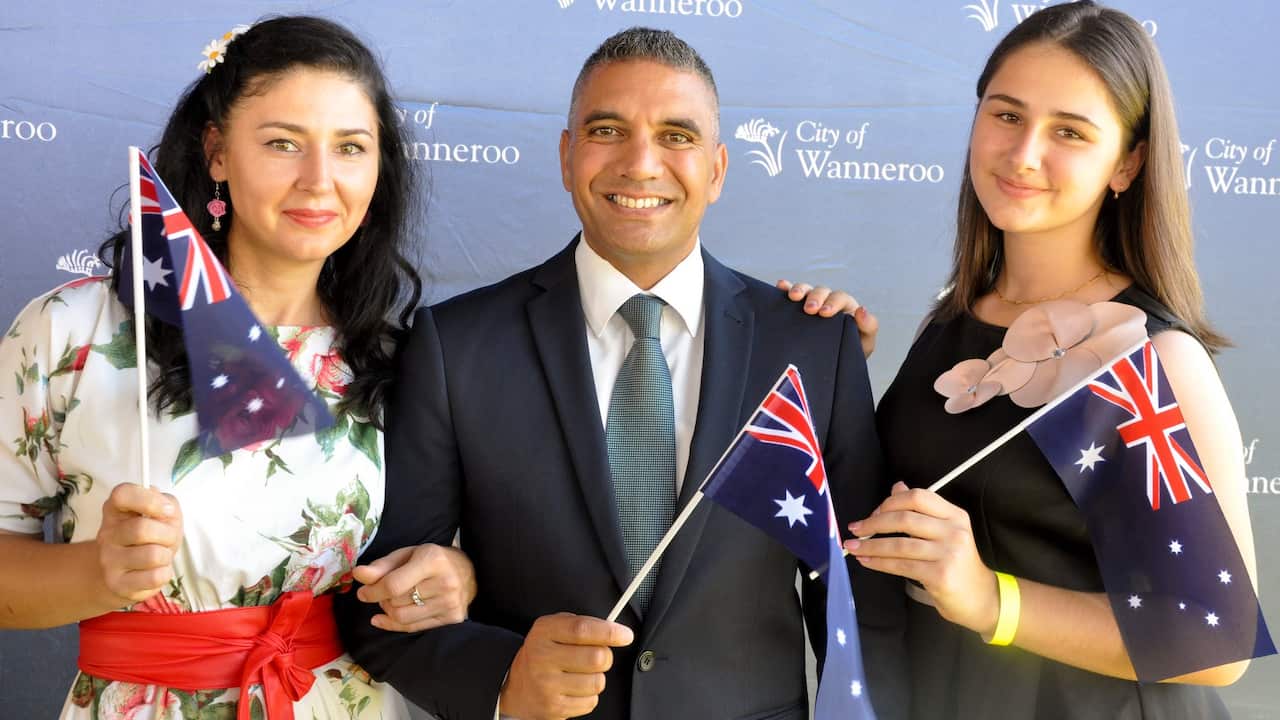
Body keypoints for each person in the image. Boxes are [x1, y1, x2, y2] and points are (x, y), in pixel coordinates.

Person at [336, 26, 909, 720]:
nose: (641, 163)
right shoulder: (456, 345)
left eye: (677, 135)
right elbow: (379, 605)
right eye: (608, 129)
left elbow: (859, 603)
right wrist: (503, 679)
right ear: (567, 154)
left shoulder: (814, 346)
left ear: (718, 169)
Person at [0, 17, 476, 719]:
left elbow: (454, 551)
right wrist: (94, 571)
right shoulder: (73, 331)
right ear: (217, 151)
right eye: (283, 143)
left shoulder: (400, 356)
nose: (319, 180)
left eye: (350, 147)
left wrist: (454, 574)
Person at [845, 2, 1257, 718]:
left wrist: (988, 598)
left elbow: (1219, 641)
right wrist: (836, 368)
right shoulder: (956, 318)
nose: (1024, 152)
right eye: (1006, 115)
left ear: (1127, 163)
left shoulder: (1153, 357)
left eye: (1069, 131)